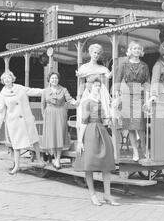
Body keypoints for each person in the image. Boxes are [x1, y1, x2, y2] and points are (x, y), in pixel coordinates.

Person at [0, 71, 45, 174]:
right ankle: (17, 166)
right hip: (14, 122)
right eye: (5, 78)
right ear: (2, 81)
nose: (7, 79)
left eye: (9, 77)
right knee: (16, 145)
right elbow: (1, 110)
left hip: (26, 119)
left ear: (12, 78)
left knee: (34, 139)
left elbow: (32, 91)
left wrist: (45, 91)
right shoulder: (2, 94)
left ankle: (39, 159)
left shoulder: (20, 88)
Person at [76, 78, 119, 206]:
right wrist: (79, 141)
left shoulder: (100, 102)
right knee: (89, 165)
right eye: (95, 86)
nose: (98, 88)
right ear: (90, 87)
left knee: (106, 164)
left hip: (101, 131)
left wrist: (111, 113)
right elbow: (84, 121)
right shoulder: (87, 102)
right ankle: (93, 195)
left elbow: (105, 119)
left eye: (99, 86)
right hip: (90, 132)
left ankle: (107, 195)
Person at [114, 41, 150, 161]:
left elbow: (147, 83)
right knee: (130, 126)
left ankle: (144, 150)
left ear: (141, 51)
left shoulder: (144, 66)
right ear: (130, 50)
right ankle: (135, 151)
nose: (136, 50)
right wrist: (116, 96)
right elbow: (117, 81)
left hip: (139, 96)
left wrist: (148, 99)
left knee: (140, 126)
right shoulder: (123, 65)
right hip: (127, 96)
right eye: (134, 48)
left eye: (139, 48)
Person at [41, 72, 78, 169]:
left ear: (58, 79)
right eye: (52, 78)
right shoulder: (45, 91)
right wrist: (44, 115)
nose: (54, 80)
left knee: (60, 134)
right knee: (52, 135)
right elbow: (42, 105)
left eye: (56, 78)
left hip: (60, 113)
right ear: (49, 79)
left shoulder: (63, 89)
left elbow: (69, 99)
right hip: (49, 114)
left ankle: (57, 159)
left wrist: (75, 102)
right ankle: (53, 156)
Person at [76, 43, 112, 119]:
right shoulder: (84, 67)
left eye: (98, 53)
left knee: (99, 113)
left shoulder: (102, 68)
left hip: (100, 92)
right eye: (95, 53)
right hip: (88, 91)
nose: (96, 55)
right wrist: (79, 96)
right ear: (90, 53)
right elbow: (81, 83)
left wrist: (112, 72)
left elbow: (108, 76)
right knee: (86, 113)